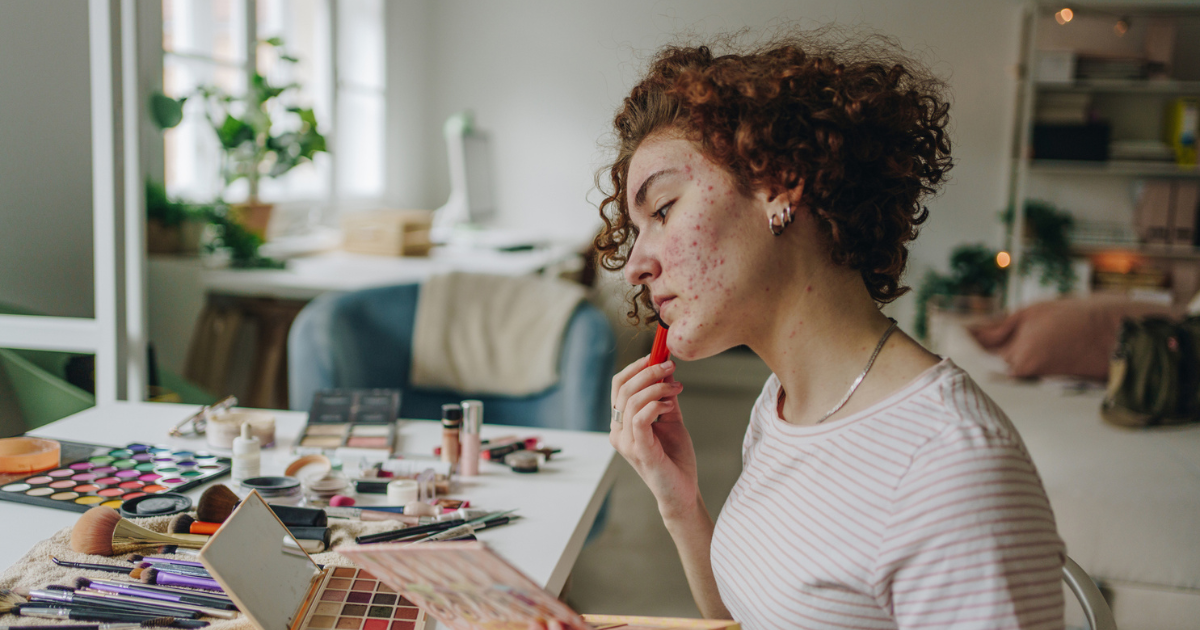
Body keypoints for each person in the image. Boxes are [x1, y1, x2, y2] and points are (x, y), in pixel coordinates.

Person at [594, 32, 1066, 629]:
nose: (636, 265)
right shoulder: (783, 406)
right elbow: (755, 617)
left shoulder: (950, 466)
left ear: (780, 182)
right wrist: (680, 503)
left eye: (661, 210)